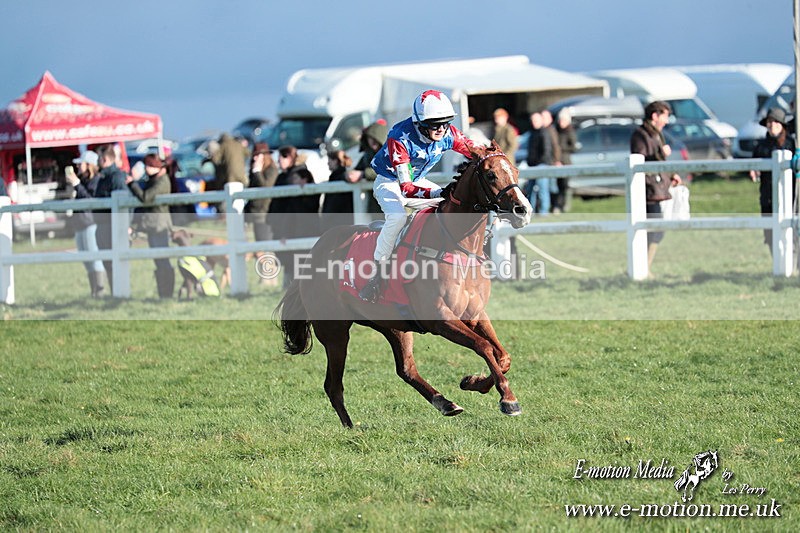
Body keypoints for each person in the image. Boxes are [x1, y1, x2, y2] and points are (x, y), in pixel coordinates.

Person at [359, 89, 475, 303]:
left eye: (445, 123)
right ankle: (377, 273)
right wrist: (438, 191)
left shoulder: (447, 133)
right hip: (389, 182)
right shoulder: (400, 138)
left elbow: (476, 150)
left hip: (418, 180)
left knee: (449, 206)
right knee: (397, 218)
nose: (441, 129)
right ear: (420, 123)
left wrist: (495, 157)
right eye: (435, 124)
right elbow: (406, 189)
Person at [630, 100, 682, 270]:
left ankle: (643, 267)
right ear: (655, 116)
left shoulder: (656, 134)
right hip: (647, 190)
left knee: (656, 230)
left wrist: (671, 174)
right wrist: (660, 152)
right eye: (664, 116)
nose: (666, 121)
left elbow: (659, 161)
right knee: (654, 230)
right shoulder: (640, 135)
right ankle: (641, 268)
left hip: (655, 188)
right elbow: (640, 160)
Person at [268, 145, 320, 289]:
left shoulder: (297, 176)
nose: (279, 161)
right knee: (290, 261)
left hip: (299, 229)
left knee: (301, 261)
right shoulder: (283, 177)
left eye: (283, 157)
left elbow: (299, 209)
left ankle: (300, 288)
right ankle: (292, 288)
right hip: (287, 228)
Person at [749, 107, 796, 257]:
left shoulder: (793, 145)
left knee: (793, 233)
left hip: (791, 197)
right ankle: (777, 263)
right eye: (769, 122)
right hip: (768, 197)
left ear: (782, 125)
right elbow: (752, 166)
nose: (772, 125)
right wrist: (753, 170)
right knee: (770, 235)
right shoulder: (760, 147)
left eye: (776, 122)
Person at [126, 153, 175, 298]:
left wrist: (132, 184)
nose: (146, 169)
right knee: (158, 260)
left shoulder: (162, 182)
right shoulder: (154, 180)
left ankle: (167, 294)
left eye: (148, 165)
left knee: (162, 260)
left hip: (159, 226)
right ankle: (163, 293)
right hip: (154, 225)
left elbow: (145, 197)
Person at [65, 150, 105, 297]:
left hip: (90, 223)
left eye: (81, 164)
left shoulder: (96, 180)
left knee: (94, 257)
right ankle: (94, 291)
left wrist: (77, 184)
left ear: (89, 165)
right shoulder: (84, 180)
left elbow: (90, 200)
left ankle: (100, 291)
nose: (78, 166)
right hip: (80, 223)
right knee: (86, 259)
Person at [92, 144, 129, 290]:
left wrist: (126, 225)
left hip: (113, 227)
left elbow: (125, 203)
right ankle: (115, 292)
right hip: (103, 226)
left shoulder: (116, 177)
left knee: (116, 262)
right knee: (107, 262)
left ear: (105, 159)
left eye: (99, 159)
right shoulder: (103, 177)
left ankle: (121, 291)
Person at [348, 120, 389, 216]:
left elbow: (389, 171)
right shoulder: (367, 155)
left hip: (392, 203)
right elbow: (356, 170)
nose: (372, 141)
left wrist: (364, 174)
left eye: (375, 137)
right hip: (375, 206)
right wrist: (349, 175)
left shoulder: (391, 153)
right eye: (370, 137)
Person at [525, 111, 558, 215]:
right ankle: (530, 210)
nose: (534, 122)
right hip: (532, 165)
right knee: (530, 189)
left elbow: (546, 150)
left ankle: (544, 211)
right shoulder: (532, 133)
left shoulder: (544, 132)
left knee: (542, 189)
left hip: (541, 165)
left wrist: (539, 162)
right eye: (532, 120)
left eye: (536, 120)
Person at [322, 150, 356, 227]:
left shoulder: (339, 177)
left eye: (330, 160)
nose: (328, 163)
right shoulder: (339, 176)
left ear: (336, 161)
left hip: (338, 221)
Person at [553, 108, 577, 213]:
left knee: (565, 185)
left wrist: (561, 148)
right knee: (558, 185)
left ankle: (564, 205)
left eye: (563, 120)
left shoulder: (570, 131)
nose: (561, 122)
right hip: (557, 161)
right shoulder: (557, 131)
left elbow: (573, 147)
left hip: (566, 161)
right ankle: (557, 205)